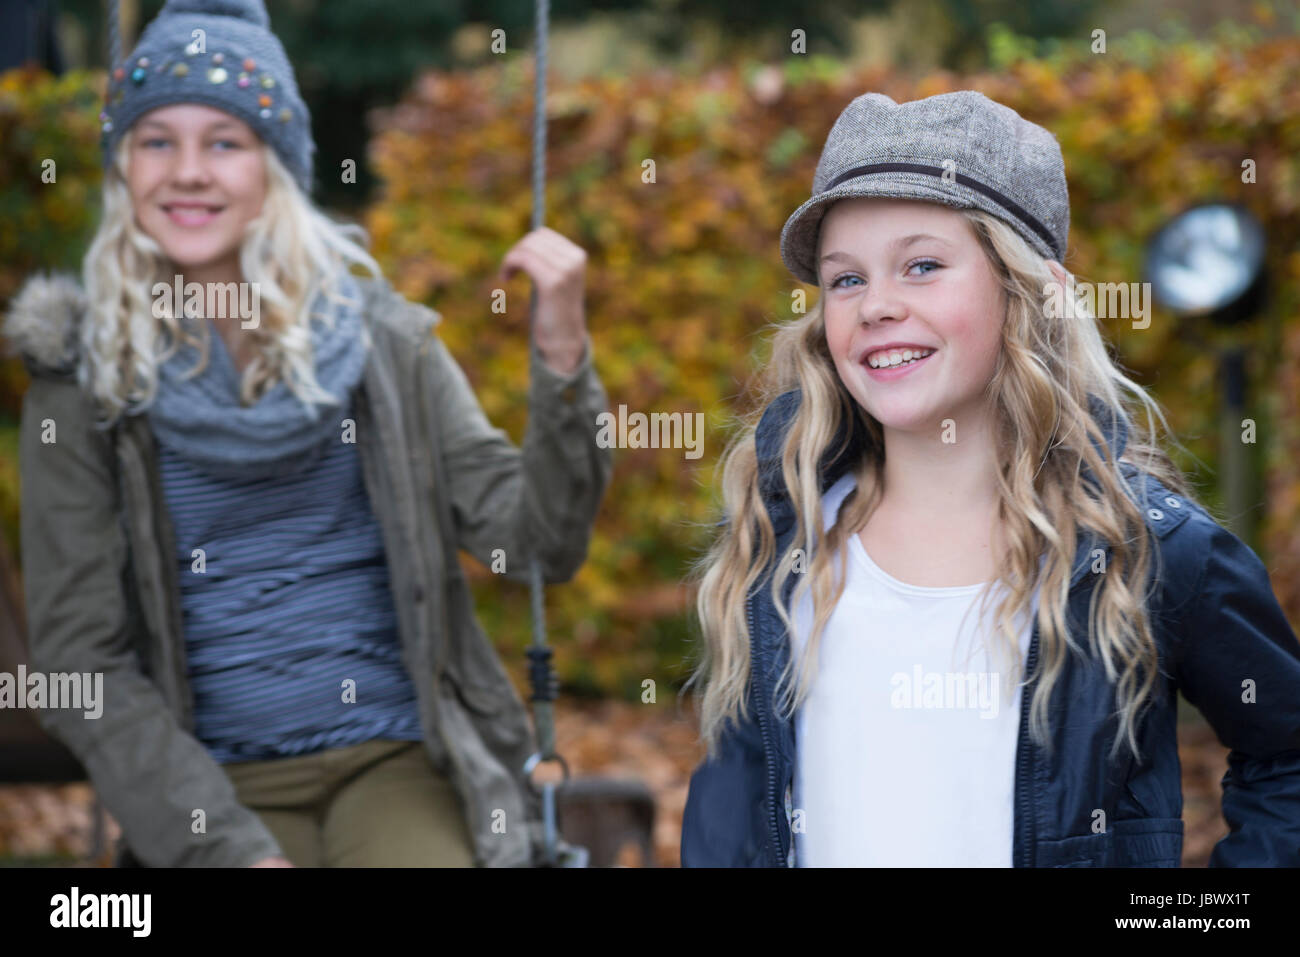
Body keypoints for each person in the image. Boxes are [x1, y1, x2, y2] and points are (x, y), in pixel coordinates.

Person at [4, 0, 612, 867]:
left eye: (224, 142)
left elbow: (535, 544)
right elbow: (80, 666)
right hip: (211, 780)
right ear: (122, 168)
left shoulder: (381, 343)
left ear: (276, 167)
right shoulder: (82, 384)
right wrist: (228, 849)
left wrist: (563, 360)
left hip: (399, 758)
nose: (188, 173)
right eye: (155, 141)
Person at [680, 90, 1300, 867]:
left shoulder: (1145, 549)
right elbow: (733, 799)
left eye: (923, 265)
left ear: (1024, 292)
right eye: (846, 279)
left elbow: (1287, 758)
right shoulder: (782, 537)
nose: (876, 305)